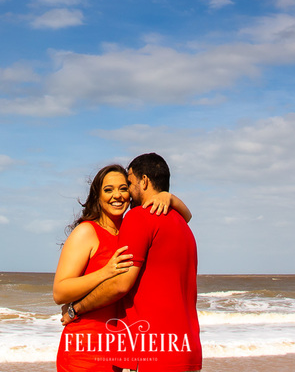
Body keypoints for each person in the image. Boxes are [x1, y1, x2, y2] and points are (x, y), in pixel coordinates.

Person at [61, 153, 201, 372]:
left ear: (143, 181)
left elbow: (120, 285)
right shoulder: (182, 224)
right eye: (109, 189)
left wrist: (75, 309)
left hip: (151, 351)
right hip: (185, 349)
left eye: (127, 185)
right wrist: (171, 199)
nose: (120, 194)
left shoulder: (138, 218)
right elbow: (60, 290)